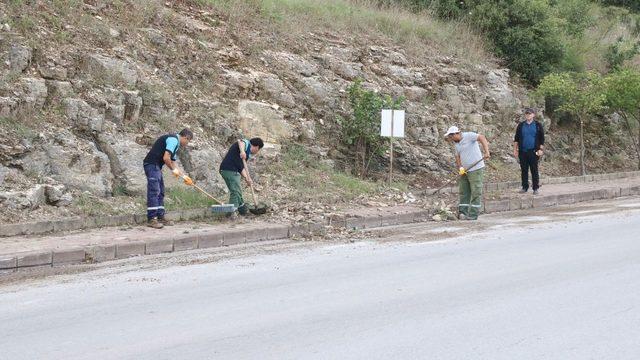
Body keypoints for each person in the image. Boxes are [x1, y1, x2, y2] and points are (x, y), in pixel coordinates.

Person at [142, 128, 193, 229]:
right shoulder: (173, 140)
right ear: (185, 137)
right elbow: (166, 158)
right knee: (154, 191)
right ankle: (152, 219)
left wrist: (184, 176)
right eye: (188, 141)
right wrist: (174, 171)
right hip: (151, 164)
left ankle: (160, 216)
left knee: (161, 191)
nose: (187, 143)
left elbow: (173, 162)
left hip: (156, 166)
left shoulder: (176, 144)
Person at [444, 126, 491, 220]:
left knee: (476, 191)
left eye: (451, 136)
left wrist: (486, 152)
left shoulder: (469, 136)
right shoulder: (456, 144)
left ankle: (473, 214)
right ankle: (463, 212)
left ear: (456, 134)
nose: (451, 139)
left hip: (476, 169)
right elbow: (457, 157)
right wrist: (460, 167)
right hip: (465, 171)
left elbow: (482, 137)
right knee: (464, 191)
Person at [219, 137, 264, 217]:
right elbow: (240, 141)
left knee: (238, 191)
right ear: (257, 147)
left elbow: (241, 168)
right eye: (259, 150)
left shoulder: (246, 154)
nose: (257, 152)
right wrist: (242, 151)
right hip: (229, 170)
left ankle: (243, 210)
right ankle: (231, 214)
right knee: (235, 191)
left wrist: (247, 178)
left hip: (232, 170)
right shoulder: (247, 144)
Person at [513, 107, 545, 195]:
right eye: (527, 113)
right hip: (523, 151)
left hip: (534, 151)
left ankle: (535, 188)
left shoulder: (538, 125)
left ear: (533, 115)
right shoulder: (521, 125)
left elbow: (542, 139)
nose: (528, 115)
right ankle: (524, 187)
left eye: (530, 113)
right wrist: (515, 150)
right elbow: (516, 139)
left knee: (534, 170)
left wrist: (541, 149)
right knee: (524, 170)